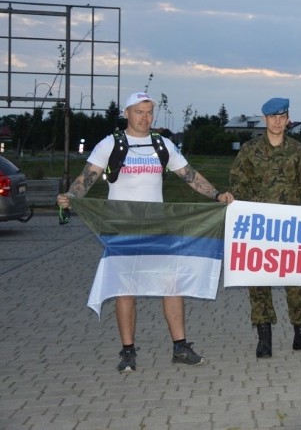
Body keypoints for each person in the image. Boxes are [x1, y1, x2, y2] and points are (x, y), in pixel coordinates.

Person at [57, 91, 235, 373]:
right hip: (122, 228)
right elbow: (87, 177)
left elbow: (189, 175)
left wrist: (216, 196)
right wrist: (71, 195)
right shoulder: (110, 144)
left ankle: (180, 347)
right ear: (127, 113)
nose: (145, 117)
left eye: (150, 112)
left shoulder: (162, 144)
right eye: (139, 112)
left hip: (158, 227)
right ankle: (128, 352)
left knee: (172, 285)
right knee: (124, 289)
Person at [229, 97, 301, 358]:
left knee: (298, 281)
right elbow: (238, 183)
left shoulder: (298, 150)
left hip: (292, 227)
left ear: (288, 119)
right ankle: (264, 337)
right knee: (259, 281)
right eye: (273, 117)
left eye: (282, 117)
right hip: (259, 228)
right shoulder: (250, 150)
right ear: (265, 119)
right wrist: (240, 212)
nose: (278, 121)